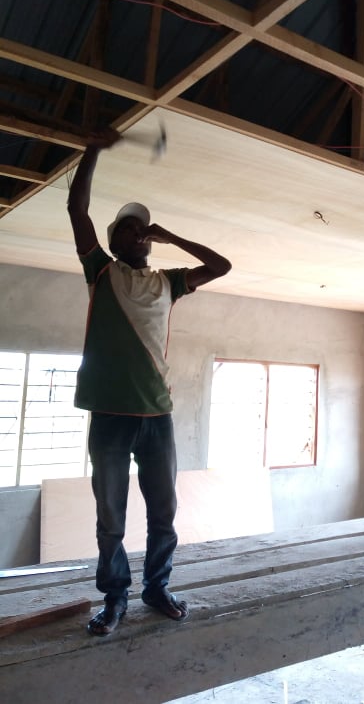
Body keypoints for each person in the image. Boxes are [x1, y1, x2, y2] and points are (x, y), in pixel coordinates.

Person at [67, 128, 232, 635]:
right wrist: (92, 151)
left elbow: (221, 265)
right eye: (128, 228)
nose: (137, 233)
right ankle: (114, 598)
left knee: (164, 514)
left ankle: (156, 588)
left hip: (157, 417)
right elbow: (77, 210)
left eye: (142, 229)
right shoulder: (100, 271)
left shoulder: (169, 282)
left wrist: (171, 236)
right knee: (110, 518)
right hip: (111, 417)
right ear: (114, 240)